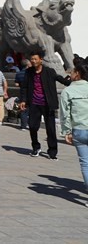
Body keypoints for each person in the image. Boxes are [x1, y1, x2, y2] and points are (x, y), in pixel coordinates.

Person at [18, 50, 72, 159]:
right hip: (34, 103)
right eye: (32, 59)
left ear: (41, 60)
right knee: (33, 127)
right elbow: (24, 87)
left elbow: (60, 79)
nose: (33, 61)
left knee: (50, 129)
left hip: (48, 104)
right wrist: (23, 100)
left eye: (35, 59)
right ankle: (36, 147)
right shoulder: (28, 72)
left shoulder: (49, 71)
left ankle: (52, 152)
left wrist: (71, 80)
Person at [60, 60, 88, 197]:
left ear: (77, 73)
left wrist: (66, 131)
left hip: (79, 130)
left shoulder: (68, 91)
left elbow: (65, 113)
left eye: (71, 72)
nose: (70, 74)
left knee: (85, 163)